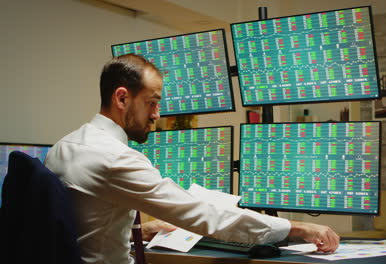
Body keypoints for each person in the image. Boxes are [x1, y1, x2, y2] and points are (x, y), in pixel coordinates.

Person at [44, 54, 340, 264]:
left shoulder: (64, 146)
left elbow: (85, 224)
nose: (157, 115)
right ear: (121, 98)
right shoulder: (114, 158)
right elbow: (207, 217)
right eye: (152, 103)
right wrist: (297, 228)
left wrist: (144, 230)